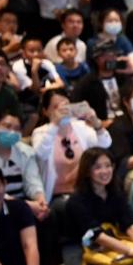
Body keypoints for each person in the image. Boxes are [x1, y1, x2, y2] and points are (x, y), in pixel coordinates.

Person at [32, 89, 111, 225]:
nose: (63, 111)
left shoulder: (80, 127)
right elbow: (41, 153)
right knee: (74, 207)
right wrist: (55, 124)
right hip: (58, 195)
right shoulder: (41, 132)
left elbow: (105, 145)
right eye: (56, 107)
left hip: (85, 191)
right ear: (45, 111)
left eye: (66, 105)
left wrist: (96, 122)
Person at [72, 39, 129, 123]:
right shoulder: (86, 83)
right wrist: (95, 123)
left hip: (125, 120)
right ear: (96, 59)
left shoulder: (123, 78)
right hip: (102, 123)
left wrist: (132, 73)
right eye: (105, 56)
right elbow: (76, 107)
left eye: (113, 55)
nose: (110, 59)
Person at [86, 8, 133, 78]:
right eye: (110, 21)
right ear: (101, 23)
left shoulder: (122, 39)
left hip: (123, 77)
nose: (114, 23)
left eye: (117, 20)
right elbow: (95, 66)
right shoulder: (92, 42)